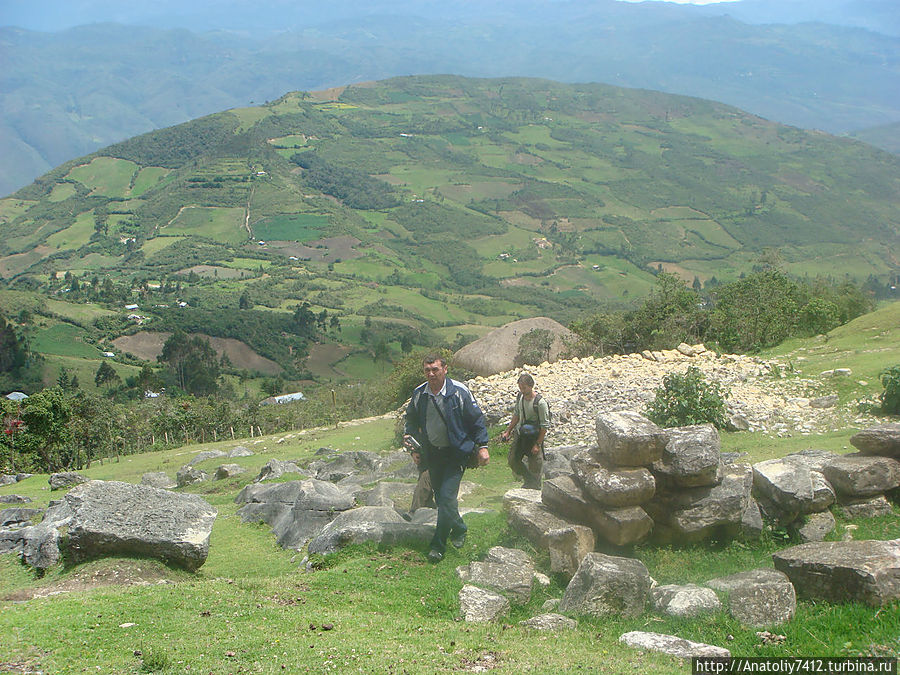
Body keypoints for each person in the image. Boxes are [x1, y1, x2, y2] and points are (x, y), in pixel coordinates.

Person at [404, 355, 489, 562]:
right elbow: (411, 421)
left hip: (456, 453)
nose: (431, 374)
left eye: (435, 369)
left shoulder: (459, 391)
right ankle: (459, 527)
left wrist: (482, 446)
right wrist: (414, 448)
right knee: (442, 498)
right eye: (427, 370)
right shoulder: (420, 394)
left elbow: (476, 419)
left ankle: (437, 546)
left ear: (445, 369)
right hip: (433, 454)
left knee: (447, 498)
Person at [499, 373, 549, 489]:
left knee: (535, 464)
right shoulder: (520, 398)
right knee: (513, 460)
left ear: (531, 386)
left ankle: (535, 486)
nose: (522, 390)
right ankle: (529, 480)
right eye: (520, 387)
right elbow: (517, 414)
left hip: (534, 437)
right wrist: (508, 431)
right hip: (520, 434)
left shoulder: (540, 403)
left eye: (524, 388)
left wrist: (538, 444)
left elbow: (544, 426)